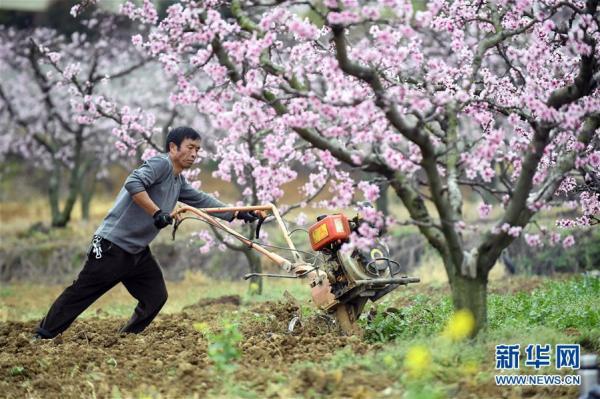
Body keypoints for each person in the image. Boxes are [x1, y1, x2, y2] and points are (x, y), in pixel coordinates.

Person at [34, 126, 260, 339]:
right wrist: (156, 212)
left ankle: (126, 339)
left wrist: (238, 213)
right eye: (190, 147)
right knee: (81, 293)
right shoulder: (160, 164)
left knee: (155, 297)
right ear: (173, 147)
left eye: (197, 149)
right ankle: (43, 335)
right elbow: (133, 183)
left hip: (137, 252)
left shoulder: (178, 180)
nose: (194, 153)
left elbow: (202, 200)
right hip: (111, 246)